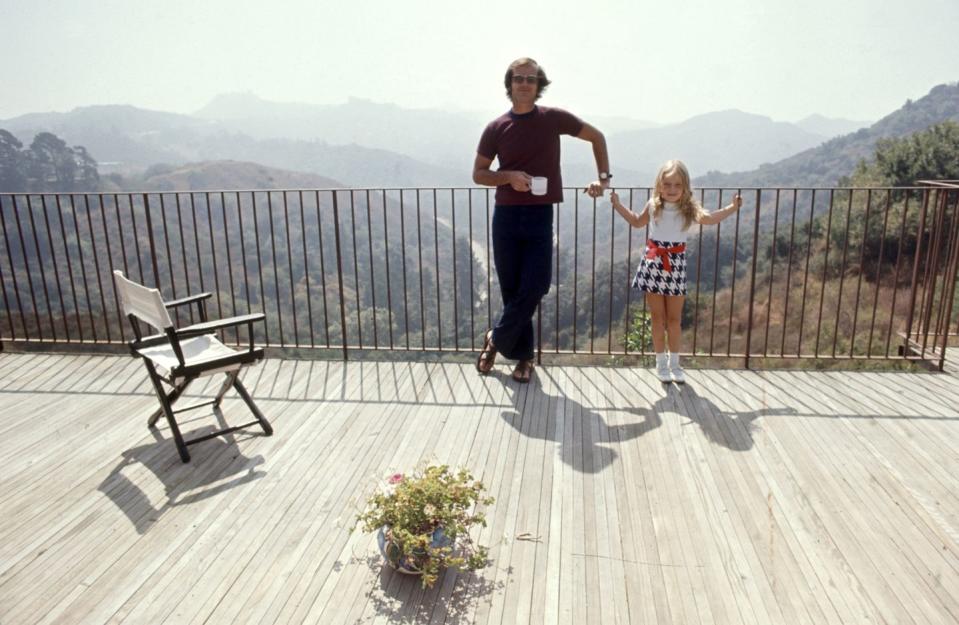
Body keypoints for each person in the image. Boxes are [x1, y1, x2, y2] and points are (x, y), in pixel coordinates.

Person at [473, 57, 611, 383]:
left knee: (536, 284)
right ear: (509, 84)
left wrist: (603, 179)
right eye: (518, 78)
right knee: (512, 290)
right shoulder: (495, 128)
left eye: (530, 79)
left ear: (539, 85)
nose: (524, 83)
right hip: (505, 216)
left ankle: (495, 338)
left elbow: (597, 137)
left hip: (539, 214)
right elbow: (479, 174)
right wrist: (508, 177)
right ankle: (524, 359)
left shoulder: (553, 119)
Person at [610, 160, 742, 383]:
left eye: (677, 185)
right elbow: (636, 222)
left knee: (674, 319)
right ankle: (661, 364)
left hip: (676, 264)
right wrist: (617, 205)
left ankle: (675, 364)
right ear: (659, 185)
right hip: (654, 262)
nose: (672, 189)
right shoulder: (653, 205)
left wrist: (732, 208)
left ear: (685, 186)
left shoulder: (688, 208)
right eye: (667, 184)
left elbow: (709, 219)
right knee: (657, 318)